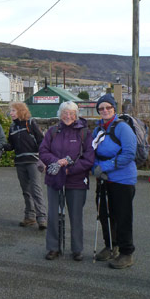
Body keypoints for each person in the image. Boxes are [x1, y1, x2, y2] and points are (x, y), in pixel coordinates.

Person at [39, 101, 94, 261]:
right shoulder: (52, 131)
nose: (68, 116)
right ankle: (53, 248)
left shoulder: (84, 133)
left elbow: (89, 158)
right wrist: (57, 161)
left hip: (76, 180)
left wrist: (70, 168)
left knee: (75, 216)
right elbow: (43, 151)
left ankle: (77, 249)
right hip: (55, 178)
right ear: (60, 114)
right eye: (65, 112)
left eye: (71, 113)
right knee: (53, 215)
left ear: (76, 115)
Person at [92, 94, 137, 269]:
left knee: (122, 216)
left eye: (108, 108)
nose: (104, 111)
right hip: (104, 180)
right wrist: (96, 167)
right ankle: (111, 246)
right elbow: (93, 152)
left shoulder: (123, 128)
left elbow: (128, 154)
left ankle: (127, 252)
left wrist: (104, 168)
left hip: (123, 180)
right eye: (101, 108)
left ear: (114, 109)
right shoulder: (98, 130)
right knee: (104, 213)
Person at [6, 102, 47, 230]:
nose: (11, 113)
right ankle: (30, 217)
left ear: (20, 111)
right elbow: (11, 146)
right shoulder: (12, 127)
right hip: (20, 162)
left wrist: (43, 158)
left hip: (33, 161)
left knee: (36, 189)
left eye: (13, 111)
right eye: (11, 111)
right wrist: (0, 144)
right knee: (26, 191)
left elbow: (41, 141)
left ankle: (42, 218)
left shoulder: (31, 123)